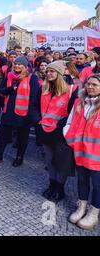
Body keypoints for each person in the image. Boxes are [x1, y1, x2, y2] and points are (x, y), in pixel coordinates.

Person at [38, 61, 78, 203]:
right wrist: (39, 120)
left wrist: (58, 124)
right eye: (47, 71)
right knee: (49, 160)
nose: (48, 73)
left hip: (61, 132)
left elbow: (73, 113)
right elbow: (35, 107)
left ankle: (60, 189)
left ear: (60, 73)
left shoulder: (72, 90)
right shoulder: (44, 88)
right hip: (45, 130)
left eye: (52, 71)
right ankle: (52, 184)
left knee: (60, 162)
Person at [64, 75, 100, 230]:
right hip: (80, 151)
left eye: (94, 85)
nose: (90, 87)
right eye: (88, 84)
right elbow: (70, 121)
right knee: (82, 181)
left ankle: (94, 212)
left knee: (98, 185)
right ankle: (82, 206)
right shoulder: (80, 102)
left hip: (97, 155)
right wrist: (68, 136)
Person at [0, 56, 41, 166]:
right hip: (8, 110)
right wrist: (9, 89)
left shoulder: (31, 78)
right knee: (2, 134)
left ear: (25, 66)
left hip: (23, 113)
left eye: (19, 64)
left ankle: (19, 157)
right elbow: (2, 90)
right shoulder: (9, 75)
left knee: (22, 137)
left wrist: (31, 114)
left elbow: (34, 97)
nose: (17, 66)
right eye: (15, 64)